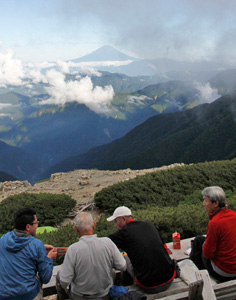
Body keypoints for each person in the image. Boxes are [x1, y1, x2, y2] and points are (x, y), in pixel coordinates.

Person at [56, 212, 126, 300]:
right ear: (94, 225)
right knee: (111, 272)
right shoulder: (108, 242)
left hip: (80, 296)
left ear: (76, 229)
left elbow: (64, 282)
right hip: (105, 295)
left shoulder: (72, 249)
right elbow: (122, 266)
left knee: (60, 275)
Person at [107, 206, 176, 294]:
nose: (115, 225)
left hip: (149, 286)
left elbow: (103, 244)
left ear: (124, 219)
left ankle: (126, 287)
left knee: (125, 257)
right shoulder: (149, 225)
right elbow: (166, 249)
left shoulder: (123, 233)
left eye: (116, 221)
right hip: (169, 279)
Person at [0, 207, 57, 300]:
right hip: (27, 295)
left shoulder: (3, 240)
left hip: (4, 295)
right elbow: (45, 278)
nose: (37, 225)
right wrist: (49, 259)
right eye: (36, 223)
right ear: (28, 227)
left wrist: (41, 249)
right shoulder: (36, 244)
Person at [190, 186, 236, 282]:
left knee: (198, 241)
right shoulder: (234, 215)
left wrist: (205, 245)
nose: (204, 204)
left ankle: (198, 277)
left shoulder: (215, 223)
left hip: (225, 272)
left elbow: (208, 254)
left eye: (205, 201)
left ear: (215, 203)